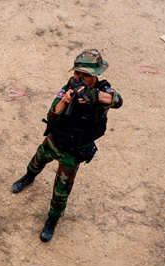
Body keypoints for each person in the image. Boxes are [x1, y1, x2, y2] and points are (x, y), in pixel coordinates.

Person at [11, 49, 123, 242]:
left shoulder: (103, 91)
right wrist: (64, 101)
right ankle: (28, 178)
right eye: (77, 73)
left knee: (61, 190)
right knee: (37, 161)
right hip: (55, 141)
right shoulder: (69, 87)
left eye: (85, 74)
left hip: (74, 151)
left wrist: (94, 95)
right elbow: (52, 115)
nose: (79, 77)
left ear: (95, 74)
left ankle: (52, 220)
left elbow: (117, 100)